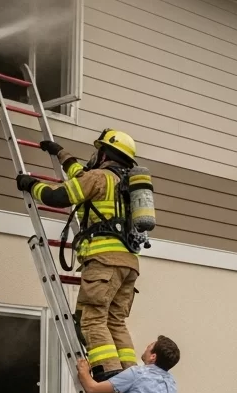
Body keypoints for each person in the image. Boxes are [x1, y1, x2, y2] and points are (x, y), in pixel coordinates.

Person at [18, 129, 150, 380]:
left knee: (92, 317)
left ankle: (107, 370)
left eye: (98, 151)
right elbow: (81, 174)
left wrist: (31, 185)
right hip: (129, 264)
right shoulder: (123, 183)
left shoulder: (98, 177)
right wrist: (60, 153)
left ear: (104, 153)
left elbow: (58, 196)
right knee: (116, 320)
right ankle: (131, 377)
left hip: (103, 261)